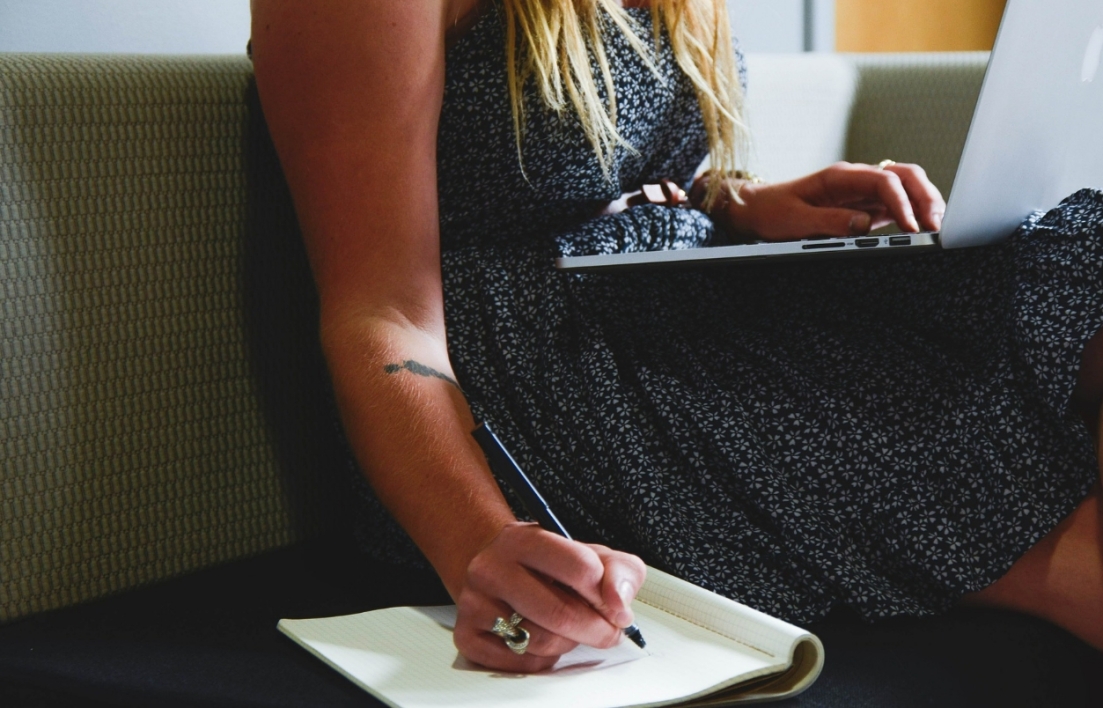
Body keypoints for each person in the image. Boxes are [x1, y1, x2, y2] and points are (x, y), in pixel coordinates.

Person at [249, 0, 1103, 672]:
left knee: (1081, 256)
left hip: (667, 305)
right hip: (533, 383)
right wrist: (480, 542)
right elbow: (382, 312)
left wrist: (736, 204)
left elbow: (600, 170)